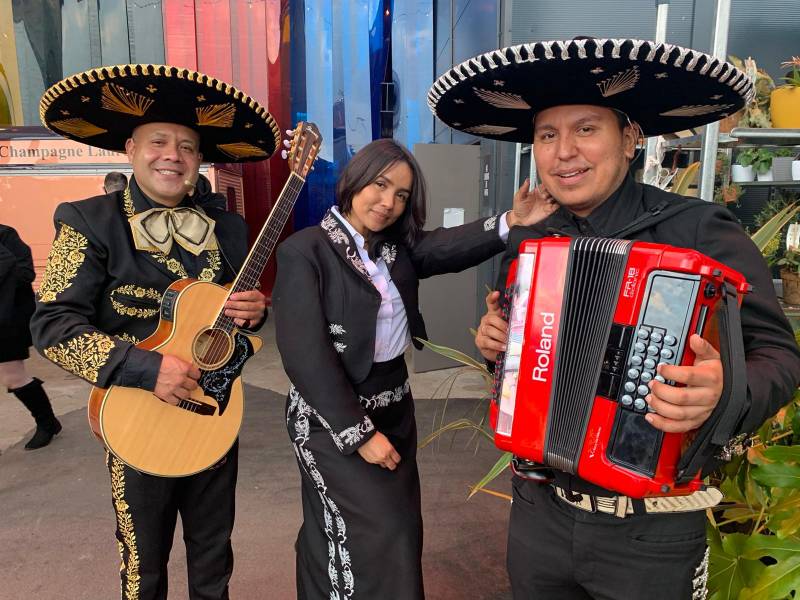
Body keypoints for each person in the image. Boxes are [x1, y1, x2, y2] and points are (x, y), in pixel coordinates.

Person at [428, 38, 800, 599]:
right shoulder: (531, 242)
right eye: (547, 135)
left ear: (629, 139)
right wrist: (497, 347)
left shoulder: (698, 229)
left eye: (586, 129)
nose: (564, 152)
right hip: (539, 514)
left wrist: (724, 393)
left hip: (650, 530)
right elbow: (521, 364)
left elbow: (779, 354)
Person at [31, 63, 279, 600]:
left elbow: (229, 321)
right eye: (158, 142)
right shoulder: (87, 219)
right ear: (130, 149)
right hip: (135, 415)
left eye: (187, 146)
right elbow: (52, 325)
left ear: (199, 160)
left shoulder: (229, 229)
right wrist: (147, 369)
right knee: (143, 569)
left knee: (214, 558)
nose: (173, 155)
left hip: (213, 410)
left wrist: (253, 314)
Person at [272, 138, 553, 599]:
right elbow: (306, 355)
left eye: (401, 195)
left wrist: (512, 220)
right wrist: (359, 434)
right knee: (380, 530)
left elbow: (445, 246)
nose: (388, 203)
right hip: (331, 420)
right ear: (355, 180)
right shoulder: (305, 251)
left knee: (397, 529)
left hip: (395, 410)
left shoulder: (394, 248)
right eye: (380, 186)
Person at [0, 224, 61, 450]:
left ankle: (47, 423)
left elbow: (26, 274)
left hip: (8, 320)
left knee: (13, 377)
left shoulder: (5, 235)